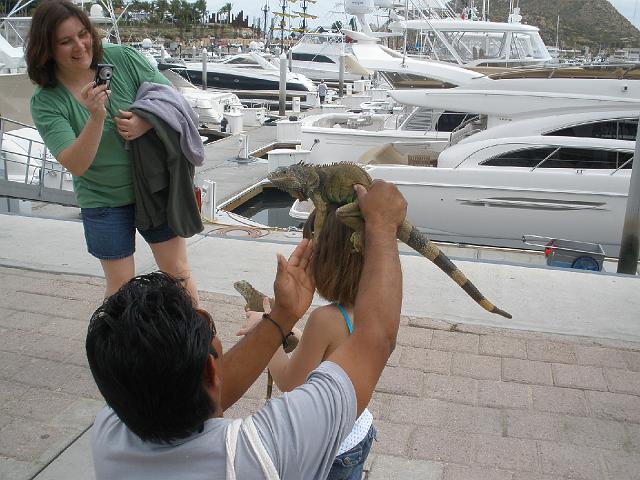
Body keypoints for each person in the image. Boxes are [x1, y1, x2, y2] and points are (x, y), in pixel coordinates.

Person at [86, 180, 407, 479]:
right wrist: (382, 224)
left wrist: (281, 318)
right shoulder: (257, 455)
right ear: (213, 371)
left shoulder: (108, 434)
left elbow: (192, 393)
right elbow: (375, 337)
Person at [26, 0, 199, 301]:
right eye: (65, 42)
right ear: (47, 49)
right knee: (121, 288)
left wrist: (146, 120)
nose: (80, 46)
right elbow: (76, 164)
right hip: (103, 199)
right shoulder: (46, 101)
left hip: (154, 187)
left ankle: (202, 345)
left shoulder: (124, 59)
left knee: (178, 274)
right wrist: (96, 117)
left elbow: (173, 100)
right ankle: (117, 348)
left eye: (83, 34)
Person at [237, 204, 376, 480]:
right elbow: (338, 359)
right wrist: (300, 338)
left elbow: (290, 383)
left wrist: (265, 331)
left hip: (330, 450)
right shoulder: (371, 309)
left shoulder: (325, 320)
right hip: (359, 432)